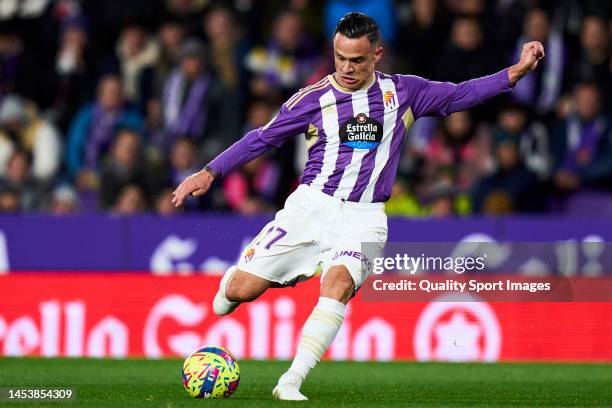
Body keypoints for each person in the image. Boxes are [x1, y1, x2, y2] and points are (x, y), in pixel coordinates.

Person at [172, 12, 545, 401]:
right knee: (241, 291)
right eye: (340, 57)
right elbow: (261, 139)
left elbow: (459, 94)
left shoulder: (404, 92)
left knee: (338, 284)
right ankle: (240, 281)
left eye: (358, 60)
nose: (348, 68)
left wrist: (515, 71)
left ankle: (291, 381)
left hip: (364, 218)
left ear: (377, 55)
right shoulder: (313, 99)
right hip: (311, 208)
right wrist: (209, 173)